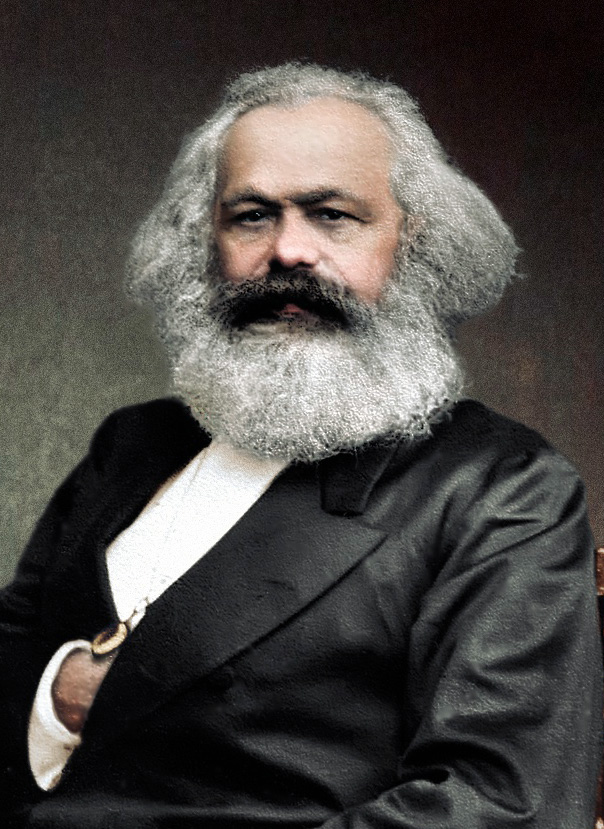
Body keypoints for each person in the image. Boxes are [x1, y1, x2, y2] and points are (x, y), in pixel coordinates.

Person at [0, 62, 601, 828]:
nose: (289, 251)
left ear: (411, 239)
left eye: (332, 215)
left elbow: (501, 803)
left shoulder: (502, 487)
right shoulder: (132, 444)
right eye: (251, 216)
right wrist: (58, 697)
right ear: (207, 242)